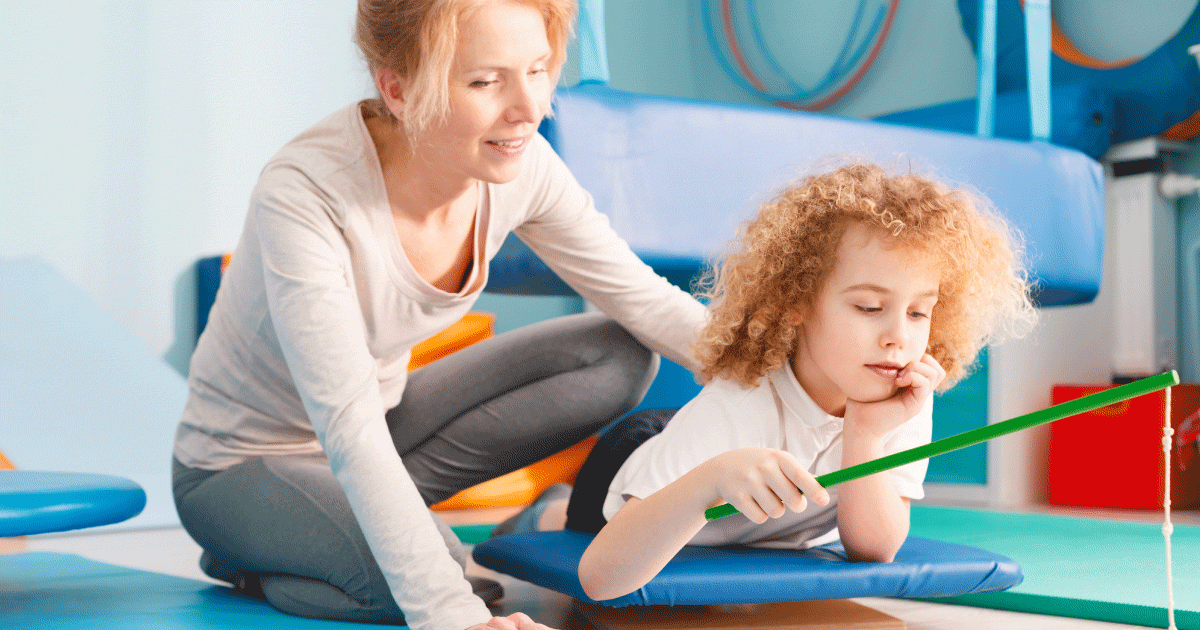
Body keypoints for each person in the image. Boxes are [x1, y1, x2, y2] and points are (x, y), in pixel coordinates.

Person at [170, 1, 707, 629]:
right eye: (485, 81)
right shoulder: (306, 192)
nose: (528, 108)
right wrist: (455, 616)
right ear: (398, 89)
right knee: (442, 588)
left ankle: (477, 527)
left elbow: (644, 301)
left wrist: (805, 377)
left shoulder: (518, 162)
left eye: (537, 70)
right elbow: (347, 425)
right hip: (237, 469)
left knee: (616, 354)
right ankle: (251, 554)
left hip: (386, 425)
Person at [492, 161, 1037, 602]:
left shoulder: (903, 396)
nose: (899, 336)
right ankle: (550, 507)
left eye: (919, 313)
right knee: (574, 521)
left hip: (745, 506)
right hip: (653, 464)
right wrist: (711, 481)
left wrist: (867, 435)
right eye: (870, 306)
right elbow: (601, 577)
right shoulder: (741, 405)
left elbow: (875, 549)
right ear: (798, 301)